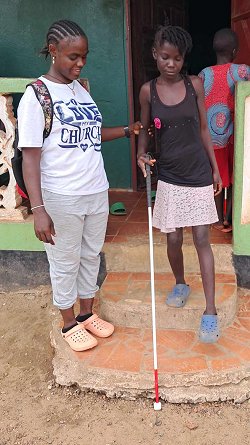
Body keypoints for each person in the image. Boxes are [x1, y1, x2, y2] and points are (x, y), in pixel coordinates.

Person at [17, 19, 142, 352]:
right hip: (61, 195)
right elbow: (30, 158)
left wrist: (128, 131)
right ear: (54, 51)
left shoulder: (80, 90)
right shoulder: (37, 96)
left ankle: (87, 314)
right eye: (73, 56)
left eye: (84, 56)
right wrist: (39, 208)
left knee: (90, 256)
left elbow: (91, 134)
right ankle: (68, 322)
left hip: (95, 190)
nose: (80, 63)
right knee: (64, 260)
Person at [137, 25, 222, 343]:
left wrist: (215, 169)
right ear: (155, 55)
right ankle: (180, 282)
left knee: (202, 238)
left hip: (198, 172)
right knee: (173, 240)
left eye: (176, 58)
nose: (170, 64)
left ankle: (210, 312)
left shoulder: (195, 84)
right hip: (170, 175)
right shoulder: (148, 91)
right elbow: (145, 128)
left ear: (183, 58)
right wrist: (140, 153)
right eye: (164, 57)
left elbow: (203, 128)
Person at [199, 28, 250, 232]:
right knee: (237, 175)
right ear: (235, 51)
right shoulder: (243, 71)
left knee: (217, 177)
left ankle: (219, 220)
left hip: (213, 138)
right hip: (236, 137)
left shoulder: (204, 73)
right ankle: (232, 218)